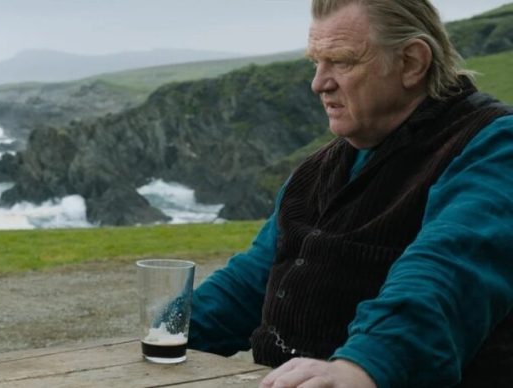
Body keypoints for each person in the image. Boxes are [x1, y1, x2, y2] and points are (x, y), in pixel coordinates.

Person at [186, 0, 513, 387]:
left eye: (341, 61)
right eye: (316, 62)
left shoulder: (494, 146)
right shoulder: (321, 166)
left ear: (411, 62)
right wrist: (170, 328)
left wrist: (364, 367)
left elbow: (451, 267)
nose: (319, 82)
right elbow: (254, 277)